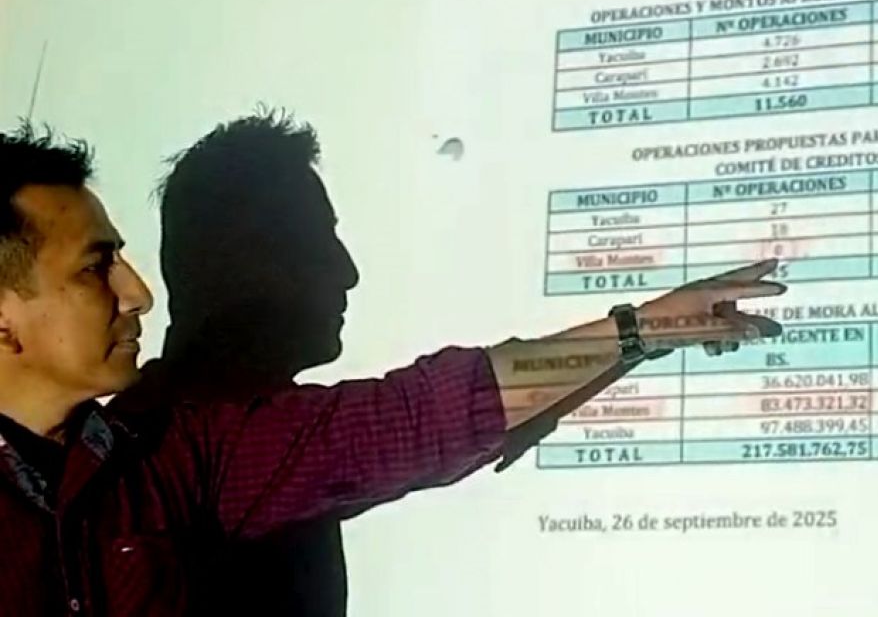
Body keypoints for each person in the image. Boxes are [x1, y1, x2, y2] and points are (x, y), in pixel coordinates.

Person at [0, 119, 785, 616]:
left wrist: (639, 331)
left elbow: (423, 416)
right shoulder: (179, 446)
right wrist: (636, 334)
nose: (135, 293)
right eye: (96, 268)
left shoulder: (176, 461)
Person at [109, 111, 363, 616]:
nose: (346, 271)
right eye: (314, 242)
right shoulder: (199, 448)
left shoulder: (146, 432)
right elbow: (425, 417)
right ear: (238, 262)